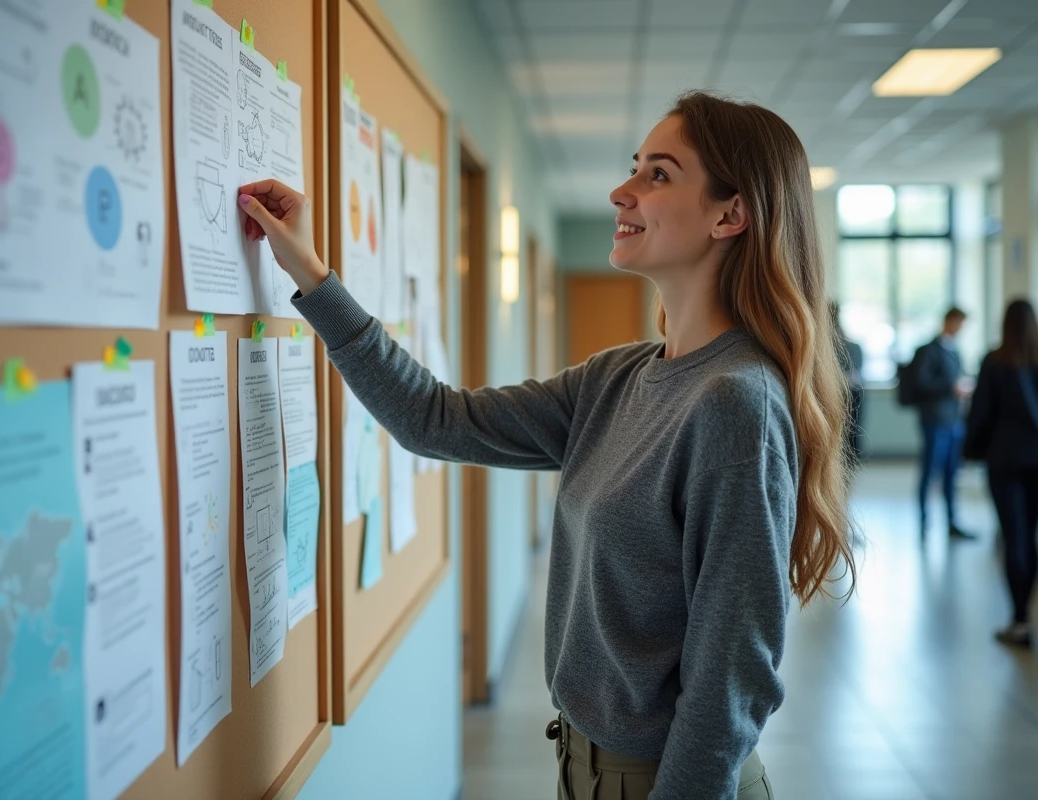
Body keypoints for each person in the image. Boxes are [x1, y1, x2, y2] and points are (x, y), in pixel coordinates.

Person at [235, 90, 856, 800]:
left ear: (730, 214)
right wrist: (311, 274)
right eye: (634, 167)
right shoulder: (616, 378)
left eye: (658, 174)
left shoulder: (736, 404)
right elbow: (434, 419)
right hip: (580, 765)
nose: (622, 191)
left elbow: (730, 681)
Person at [964, 299, 1038, 648]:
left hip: (1005, 461)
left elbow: (980, 414)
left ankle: (1020, 619)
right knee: (1030, 535)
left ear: (1006, 325)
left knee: (1014, 537)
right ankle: (1024, 616)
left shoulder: (995, 362)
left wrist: (971, 450)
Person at [911, 307, 975, 542]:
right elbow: (920, 383)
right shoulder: (928, 350)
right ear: (949, 321)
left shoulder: (954, 351)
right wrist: (950, 387)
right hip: (934, 419)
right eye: (959, 324)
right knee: (930, 471)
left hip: (954, 420)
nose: (960, 329)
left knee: (951, 472)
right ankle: (923, 520)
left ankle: (951, 521)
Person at [831, 302, 864, 465]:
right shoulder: (850, 346)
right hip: (843, 391)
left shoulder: (848, 346)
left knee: (849, 433)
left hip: (848, 392)